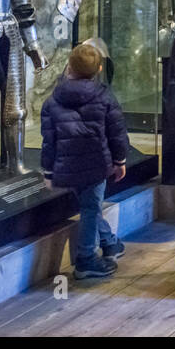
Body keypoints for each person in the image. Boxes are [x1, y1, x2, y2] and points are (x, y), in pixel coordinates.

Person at [41, 43, 128, 280]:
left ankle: (109, 243)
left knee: (90, 206)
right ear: (99, 68)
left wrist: (48, 172)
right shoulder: (105, 97)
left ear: (68, 66)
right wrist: (120, 160)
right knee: (91, 208)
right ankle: (86, 259)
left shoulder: (51, 101)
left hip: (66, 166)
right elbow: (117, 133)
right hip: (97, 166)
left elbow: (48, 142)